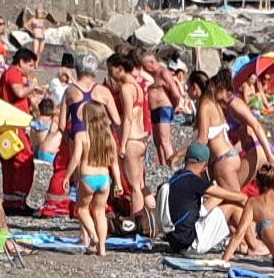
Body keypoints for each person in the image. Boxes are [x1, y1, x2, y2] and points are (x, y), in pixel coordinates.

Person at [41, 52, 118, 217]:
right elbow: (117, 121)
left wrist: (69, 137)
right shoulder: (103, 91)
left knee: (81, 186)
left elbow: (62, 124)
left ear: (77, 69)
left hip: (78, 137)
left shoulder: (70, 91)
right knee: (101, 180)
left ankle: (84, 233)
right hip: (100, 138)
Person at [163, 142, 253, 256]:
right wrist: (245, 198)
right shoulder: (194, 181)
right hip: (191, 243)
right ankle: (253, 245)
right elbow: (228, 194)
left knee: (219, 199)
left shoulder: (177, 177)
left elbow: (217, 195)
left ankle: (244, 242)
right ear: (204, 163)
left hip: (176, 241)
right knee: (233, 206)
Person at [64, 102, 123, 255]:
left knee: (82, 209)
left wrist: (67, 176)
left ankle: (94, 237)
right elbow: (114, 163)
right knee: (100, 212)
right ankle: (102, 248)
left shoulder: (81, 135)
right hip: (104, 178)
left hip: (87, 176)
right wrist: (118, 183)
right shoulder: (108, 136)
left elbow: (76, 158)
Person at [0, 48, 42, 215]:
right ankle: (18, 201)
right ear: (22, 62)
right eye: (30, 65)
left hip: (9, 124)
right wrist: (32, 86)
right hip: (14, 125)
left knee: (9, 163)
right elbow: (19, 92)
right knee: (23, 162)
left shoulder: (10, 74)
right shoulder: (14, 73)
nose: (32, 69)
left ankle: (11, 200)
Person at [108, 53, 149, 215]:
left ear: (119, 69)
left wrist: (122, 145)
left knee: (134, 187)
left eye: (111, 70)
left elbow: (128, 119)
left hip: (131, 139)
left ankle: (137, 220)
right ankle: (151, 218)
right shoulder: (138, 86)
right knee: (141, 184)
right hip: (141, 138)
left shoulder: (126, 89)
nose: (110, 73)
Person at [195, 71, 241, 192]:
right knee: (228, 201)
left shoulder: (205, 105)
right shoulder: (216, 105)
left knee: (237, 201)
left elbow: (202, 140)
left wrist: (179, 154)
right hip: (231, 155)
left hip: (223, 160)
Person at [138, 48, 182, 166]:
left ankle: (172, 165)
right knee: (157, 141)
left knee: (164, 139)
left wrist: (175, 105)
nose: (144, 68)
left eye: (145, 65)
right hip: (153, 110)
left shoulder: (163, 72)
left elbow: (176, 93)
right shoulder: (150, 74)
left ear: (152, 63)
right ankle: (163, 165)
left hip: (164, 108)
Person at [31, 98, 61, 164]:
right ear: (52, 110)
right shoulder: (53, 123)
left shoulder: (34, 123)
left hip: (36, 151)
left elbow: (32, 141)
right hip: (46, 152)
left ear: (39, 108)